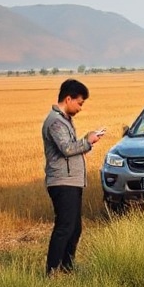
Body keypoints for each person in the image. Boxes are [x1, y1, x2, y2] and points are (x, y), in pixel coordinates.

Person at [42, 78, 105, 276]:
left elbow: (70, 147)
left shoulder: (64, 120)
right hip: (62, 181)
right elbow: (67, 149)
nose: (80, 108)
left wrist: (87, 140)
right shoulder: (55, 122)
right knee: (64, 227)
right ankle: (51, 273)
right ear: (68, 99)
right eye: (79, 103)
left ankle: (67, 268)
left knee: (74, 228)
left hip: (72, 181)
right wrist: (88, 141)